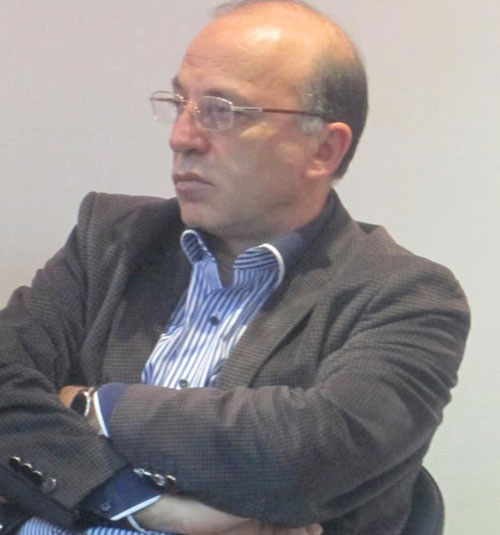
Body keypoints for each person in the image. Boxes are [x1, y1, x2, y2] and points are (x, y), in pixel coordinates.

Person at [0, 1, 470, 534]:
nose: (182, 137)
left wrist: (94, 406)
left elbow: (308, 454)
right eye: (180, 104)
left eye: (220, 110)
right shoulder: (110, 238)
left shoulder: (408, 296)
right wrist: (140, 503)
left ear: (323, 149)